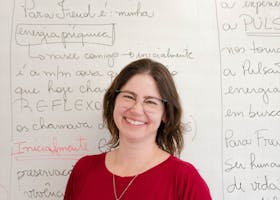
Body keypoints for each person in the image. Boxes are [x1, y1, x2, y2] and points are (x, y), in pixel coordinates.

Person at [64, 58, 212, 200]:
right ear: (113, 101)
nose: (136, 110)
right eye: (129, 97)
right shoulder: (83, 170)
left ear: (165, 114)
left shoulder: (185, 180)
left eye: (150, 102)